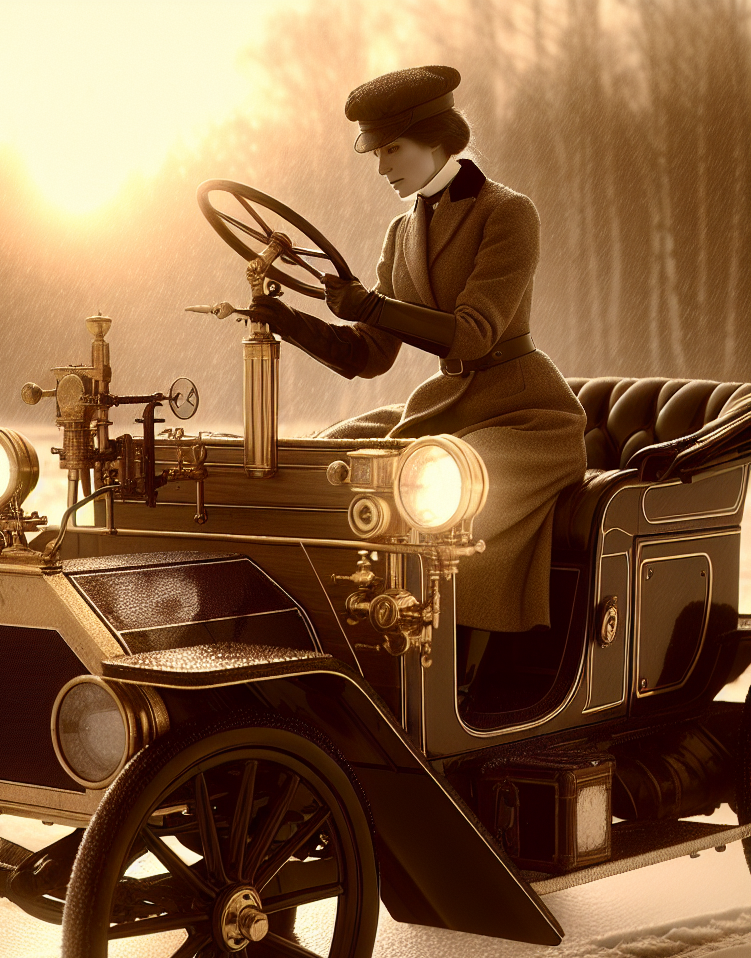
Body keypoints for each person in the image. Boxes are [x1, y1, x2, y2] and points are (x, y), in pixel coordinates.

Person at [250, 65, 588, 642]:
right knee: (327, 464)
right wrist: (290, 322)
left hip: (524, 415)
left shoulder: (508, 213)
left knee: (440, 495)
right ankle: (335, 628)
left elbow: (474, 334)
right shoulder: (400, 231)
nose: (381, 167)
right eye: (374, 152)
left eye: (393, 150)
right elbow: (371, 356)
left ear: (438, 140)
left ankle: (459, 658)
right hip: (447, 410)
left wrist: (371, 305)